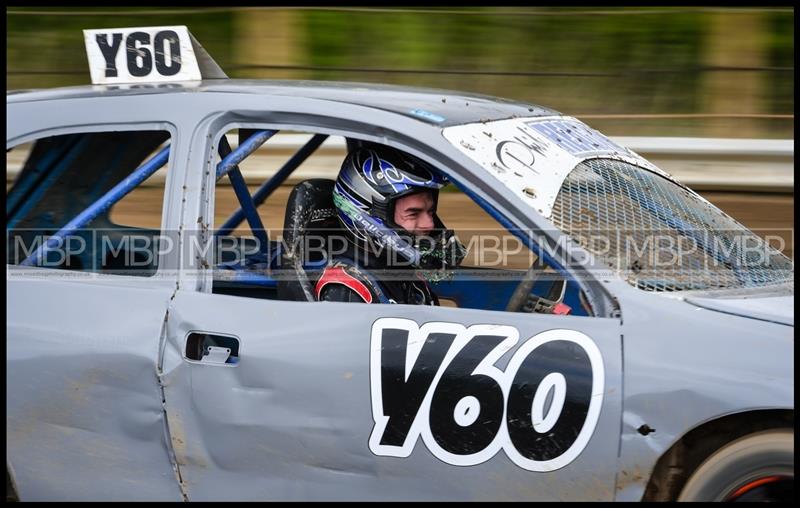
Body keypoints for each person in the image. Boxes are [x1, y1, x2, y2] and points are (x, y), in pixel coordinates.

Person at [315, 144, 466, 304]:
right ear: (368, 215)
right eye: (413, 213)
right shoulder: (346, 289)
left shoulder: (402, 268)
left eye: (430, 212)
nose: (428, 224)